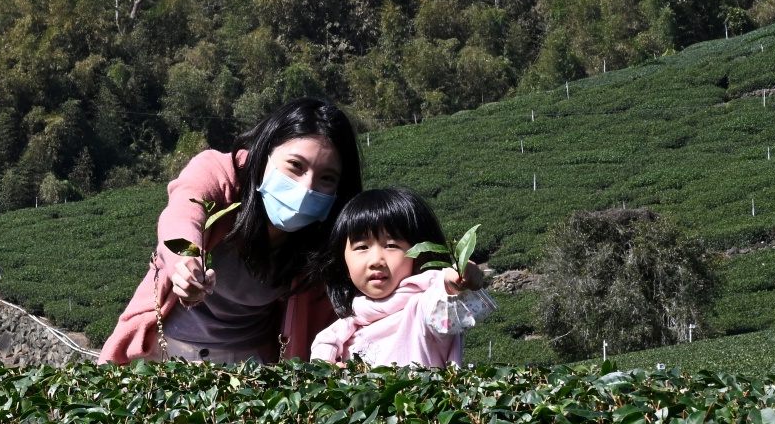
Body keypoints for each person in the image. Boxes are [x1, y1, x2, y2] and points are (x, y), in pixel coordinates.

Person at [101, 97, 363, 364]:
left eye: (327, 178)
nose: (307, 188)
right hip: (165, 351)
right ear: (265, 152)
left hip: (250, 365)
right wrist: (189, 260)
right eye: (295, 166)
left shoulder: (325, 241)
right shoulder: (221, 174)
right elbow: (180, 215)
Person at [307, 188, 493, 368]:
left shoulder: (421, 309)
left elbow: (443, 298)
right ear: (345, 265)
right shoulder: (349, 324)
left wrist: (455, 280)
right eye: (362, 247)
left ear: (420, 256)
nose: (376, 261)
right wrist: (326, 367)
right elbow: (323, 349)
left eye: (391, 245)